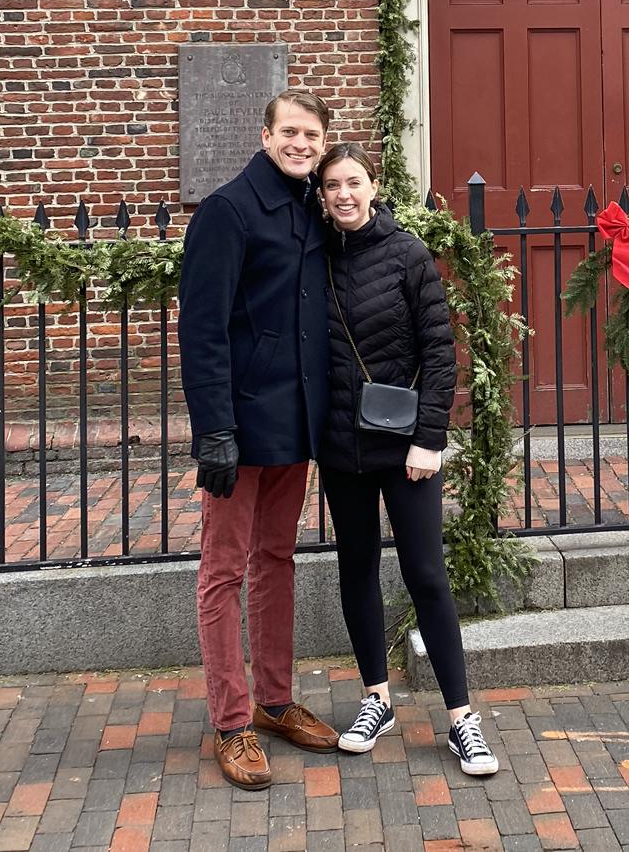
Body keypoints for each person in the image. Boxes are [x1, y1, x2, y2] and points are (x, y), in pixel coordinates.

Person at [316, 142, 500, 777]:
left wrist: (430, 438)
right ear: (321, 195)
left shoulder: (407, 254)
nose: (344, 193)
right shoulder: (314, 257)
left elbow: (440, 353)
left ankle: (461, 719)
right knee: (357, 569)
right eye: (332, 184)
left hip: (406, 448)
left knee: (425, 574)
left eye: (354, 182)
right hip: (341, 446)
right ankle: (376, 699)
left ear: (374, 187)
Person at [177, 89, 340, 789]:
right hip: (240, 426)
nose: (301, 144)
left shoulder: (313, 207)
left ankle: (275, 701)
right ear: (266, 134)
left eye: (312, 135)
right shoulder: (229, 211)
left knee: (278, 558)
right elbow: (201, 329)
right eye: (290, 132)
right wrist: (214, 428)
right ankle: (233, 721)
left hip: (295, 421)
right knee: (224, 570)